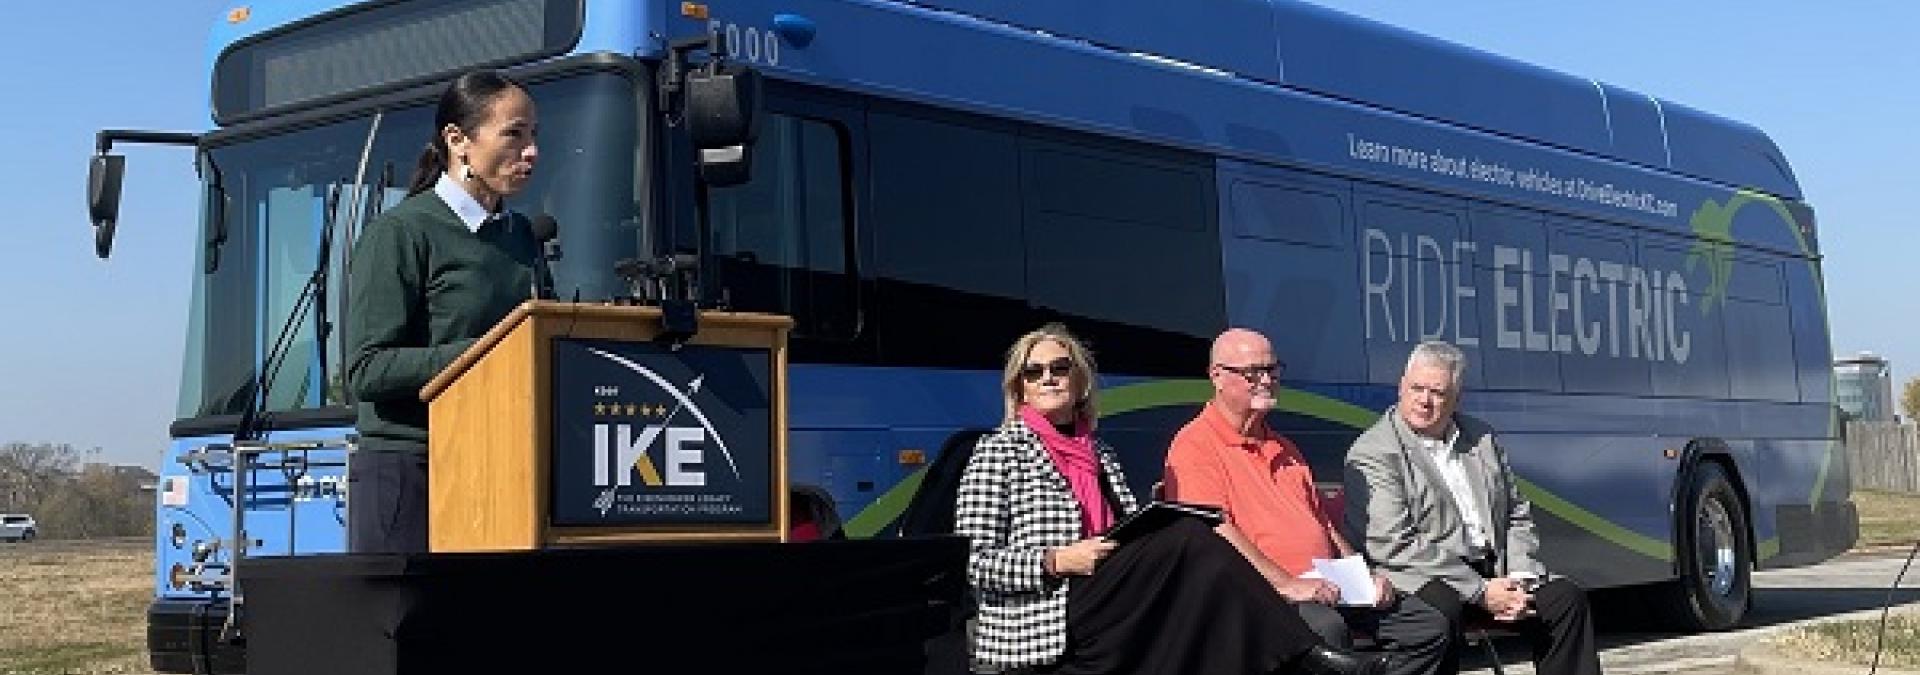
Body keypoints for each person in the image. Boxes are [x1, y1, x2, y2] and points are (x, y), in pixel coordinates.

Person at [955, 323, 1385, 675]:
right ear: (1020, 387)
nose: (1048, 378)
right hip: (1049, 609)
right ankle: (1307, 655)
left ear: (1079, 378)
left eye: (1059, 367)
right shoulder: (999, 451)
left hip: (1105, 592)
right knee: (1195, 536)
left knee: (1190, 546)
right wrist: (1055, 560)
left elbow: (1119, 531)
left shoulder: (1097, 451)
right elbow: (970, 562)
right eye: (1034, 372)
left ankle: (1296, 655)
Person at [1165, 329, 1450, 675]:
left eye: (1273, 369)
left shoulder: (1286, 448)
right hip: (1256, 592)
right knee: (1327, 630)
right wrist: (1287, 584)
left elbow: (1323, 525)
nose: (1267, 380)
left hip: (1323, 584)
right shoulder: (1194, 446)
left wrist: (1365, 577)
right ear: (1217, 376)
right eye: (1253, 372)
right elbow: (1213, 532)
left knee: (1427, 627)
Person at [344, 70, 541, 553]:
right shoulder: (401, 233)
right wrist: (487, 357)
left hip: (497, 474)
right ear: (458, 140)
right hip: (407, 474)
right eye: (514, 134)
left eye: (535, 136)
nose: (532, 151)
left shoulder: (521, 237)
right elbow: (367, 370)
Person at [1343, 341, 1601, 675]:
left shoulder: (1481, 438)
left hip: (1494, 569)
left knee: (1565, 600)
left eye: (1437, 392)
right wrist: (1479, 592)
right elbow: (1393, 544)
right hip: (1424, 574)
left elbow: (1515, 513)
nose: (1424, 400)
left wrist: (1520, 577)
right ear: (1401, 386)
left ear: (1456, 397)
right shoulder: (1375, 452)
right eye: (1416, 388)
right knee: (1439, 613)